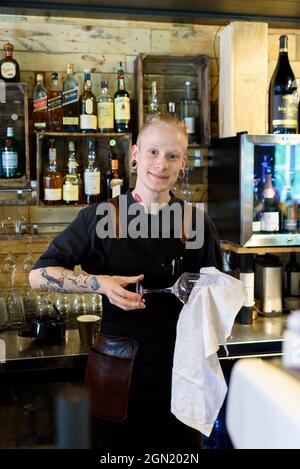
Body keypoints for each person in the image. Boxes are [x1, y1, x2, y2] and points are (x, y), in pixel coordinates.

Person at [29, 113, 222, 451]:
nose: (161, 164)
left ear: (183, 163)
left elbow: (216, 293)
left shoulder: (196, 222)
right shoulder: (101, 217)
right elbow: (38, 275)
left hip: (181, 377)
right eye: (152, 152)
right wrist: (98, 283)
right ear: (134, 155)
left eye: (172, 155)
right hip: (117, 378)